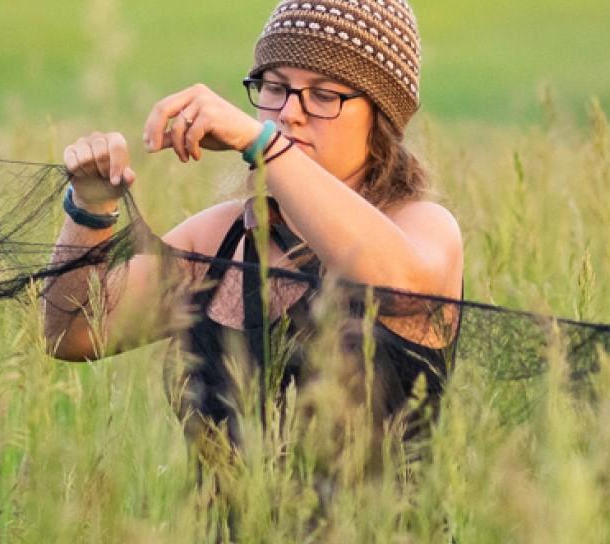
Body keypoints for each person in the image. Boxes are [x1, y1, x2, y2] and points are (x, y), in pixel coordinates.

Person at [45, 0, 463, 472]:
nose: (289, 113)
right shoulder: (222, 237)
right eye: (274, 87)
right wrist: (90, 208)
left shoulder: (423, 227)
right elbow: (75, 336)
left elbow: (397, 287)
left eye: (325, 95)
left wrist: (260, 144)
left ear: (382, 120)